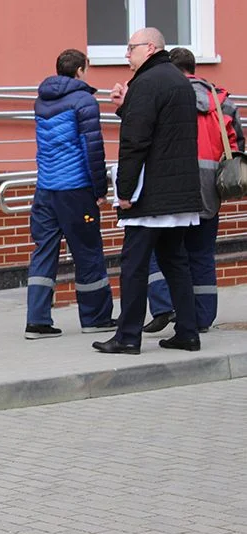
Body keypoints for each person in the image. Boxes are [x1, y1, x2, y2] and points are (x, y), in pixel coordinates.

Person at [93, 27, 202, 355]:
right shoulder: (179, 81)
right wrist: (126, 105)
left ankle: (127, 336)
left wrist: (124, 191)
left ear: (150, 47)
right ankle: (188, 333)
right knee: (176, 262)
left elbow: (135, 141)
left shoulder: (146, 82)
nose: (127, 54)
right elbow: (162, 128)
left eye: (131, 48)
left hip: (150, 195)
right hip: (179, 192)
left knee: (134, 266)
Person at [141, 46, 244, 335]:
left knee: (159, 248)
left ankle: (164, 306)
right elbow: (236, 144)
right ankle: (202, 317)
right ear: (193, 68)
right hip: (210, 188)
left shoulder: (167, 95)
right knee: (201, 253)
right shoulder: (221, 100)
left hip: (173, 185)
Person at [25, 48, 115, 339]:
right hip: (76, 190)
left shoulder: (41, 101)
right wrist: (100, 189)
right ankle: (95, 318)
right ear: (80, 70)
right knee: (88, 253)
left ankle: (37, 321)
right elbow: (93, 149)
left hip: (45, 189)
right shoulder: (84, 101)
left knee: (44, 252)